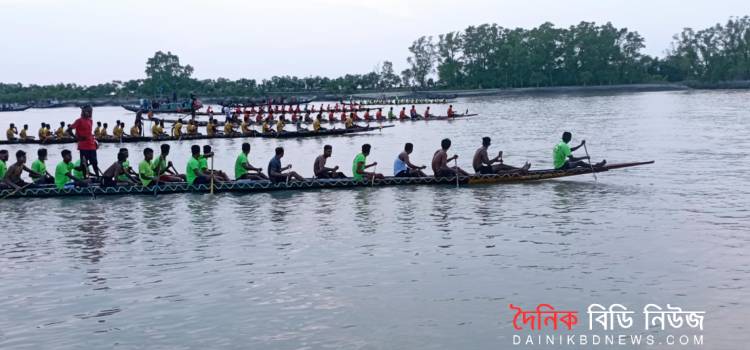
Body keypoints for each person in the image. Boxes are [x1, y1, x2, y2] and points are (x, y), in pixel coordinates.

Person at [68, 105, 100, 177]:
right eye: (88, 112)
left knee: (94, 162)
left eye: (91, 112)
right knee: (84, 163)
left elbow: (89, 133)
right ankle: (85, 177)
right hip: (83, 146)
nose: (90, 113)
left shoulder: (90, 121)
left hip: (92, 145)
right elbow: (69, 130)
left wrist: (95, 142)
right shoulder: (79, 121)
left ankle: (98, 177)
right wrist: (76, 138)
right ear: (84, 112)